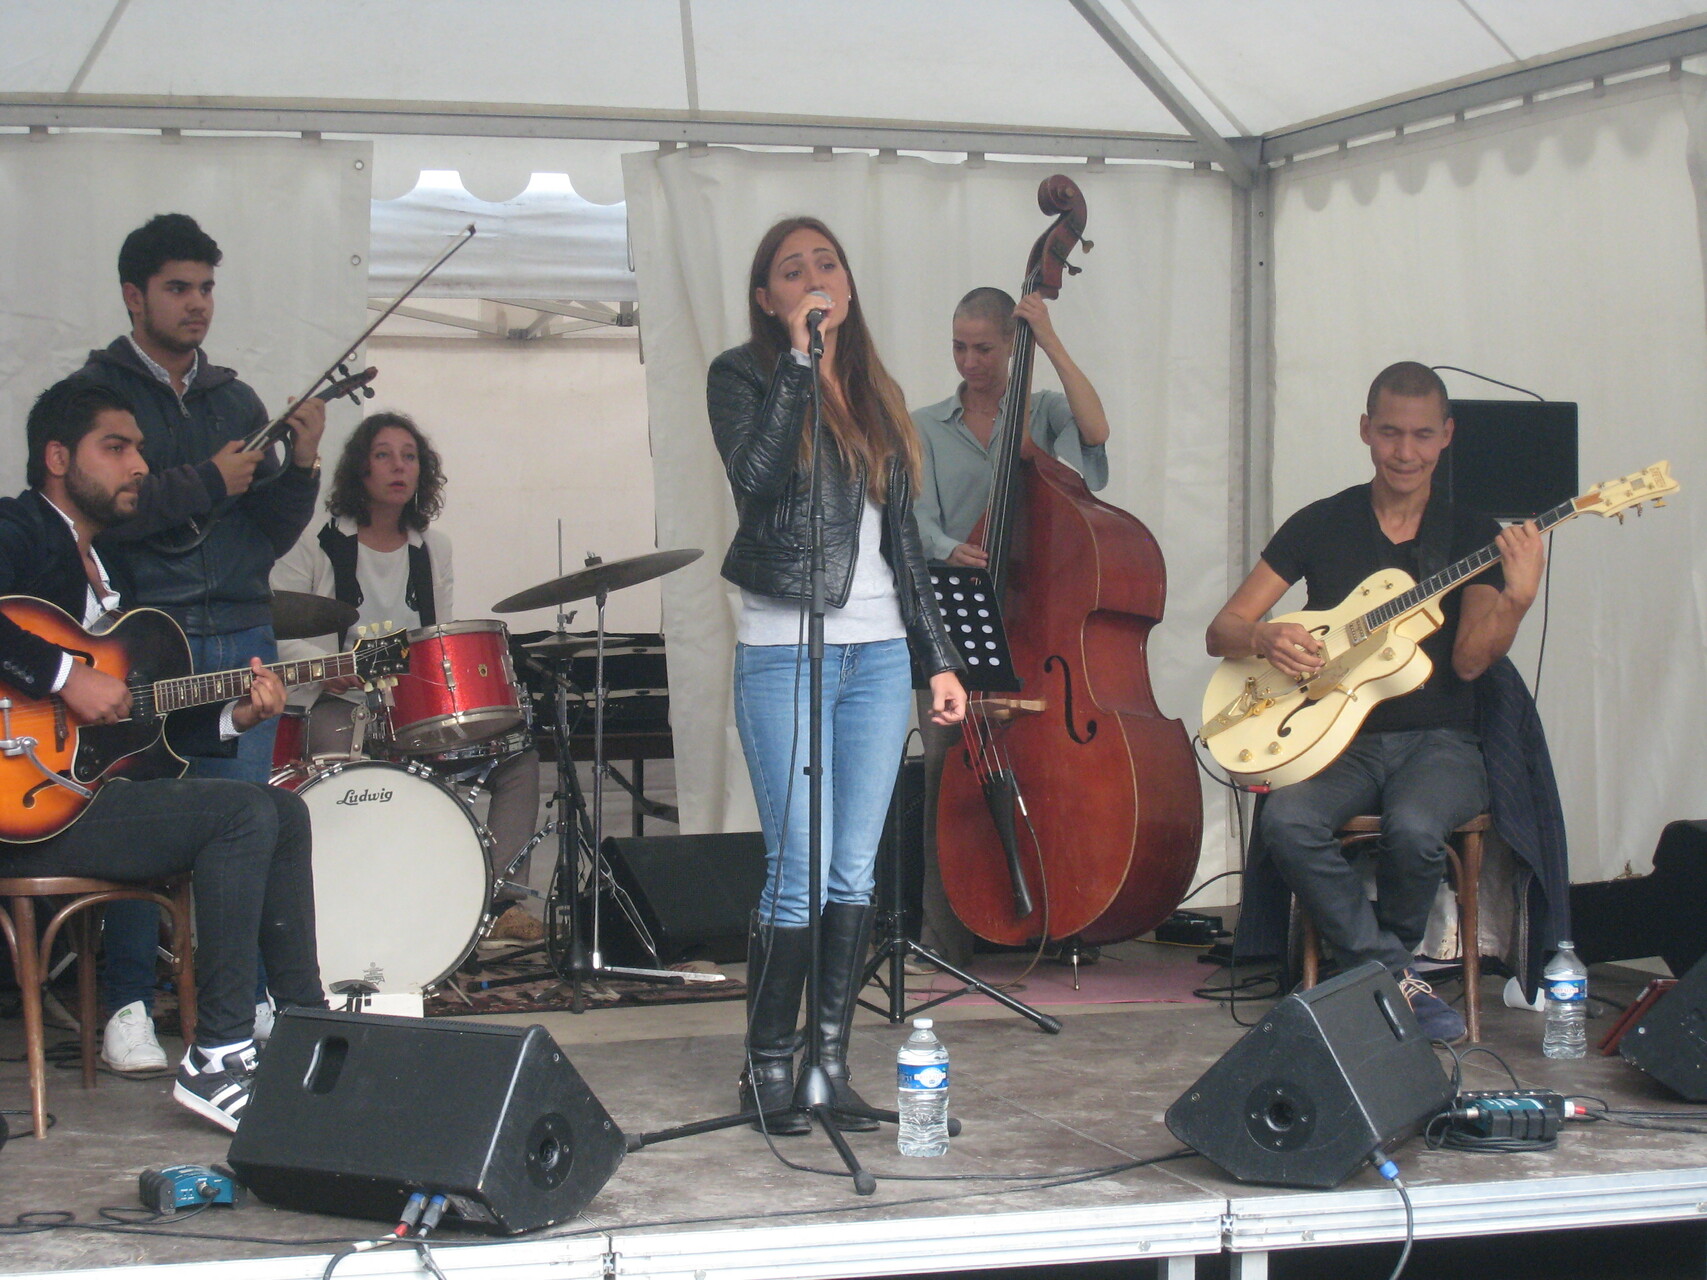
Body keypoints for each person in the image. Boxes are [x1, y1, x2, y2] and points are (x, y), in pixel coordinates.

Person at [0, 376, 326, 1131]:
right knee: (241, 815)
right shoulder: (20, 529)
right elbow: (70, 684)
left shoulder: (115, 568)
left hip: (84, 795)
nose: (139, 466)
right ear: (58, 458)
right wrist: (64, 675)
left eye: (140, 449)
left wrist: (236, 715)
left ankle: (308, 1030)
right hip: (24, 806)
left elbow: (145, 734)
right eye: (116, 448)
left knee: (281, 810)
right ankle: (218, 1055)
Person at [710, 218, 967, 1135]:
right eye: (792, 269)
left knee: (854, 871)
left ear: (848, 287)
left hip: (879, 650)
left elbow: (904, 545)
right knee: (800, 869)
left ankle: (827, 1066)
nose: (814, 277)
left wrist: (937, 659)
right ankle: (767, 1070)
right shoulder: (742, 375)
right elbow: (756, 478)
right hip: (786, 648)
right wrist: (796, 363)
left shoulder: (876, 393)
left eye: (826, 263)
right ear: (766, 298)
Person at [1205, 361, 1544, 1043]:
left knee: (1416, 830)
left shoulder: (1471, 533)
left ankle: (1369, 974)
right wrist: (1265, 636)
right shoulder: (1319, 523)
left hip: (1440, 741)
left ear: (1446, 435)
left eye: (1421, 435)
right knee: (1287, 823)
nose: (1405, 452)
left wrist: (1517, 599)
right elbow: (1222, 630)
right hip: (1337, 741)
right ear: (1365, 430)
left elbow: (1470, 660)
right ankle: (1393, 977)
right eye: (1390, 432)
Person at [76, 213, 327, 1071]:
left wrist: (306, 465)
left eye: (207, 288)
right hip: (147, 634)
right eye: (178, 288)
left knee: (247, 822)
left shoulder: (235, 399)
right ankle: (128, 1006)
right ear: (134, 295)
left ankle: (245, 1001)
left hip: (242, 624)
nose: (197, 304)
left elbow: (268, 531)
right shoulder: (101, 394)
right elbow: (114, 514)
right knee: (139, 815)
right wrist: (206, 480)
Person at [271, 411, 544, 940]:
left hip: (416, 709)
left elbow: (437, 637)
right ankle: (352, 906)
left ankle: (498, 902)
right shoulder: (314, 542)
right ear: (360, 469)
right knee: (338, 764)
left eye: (409, 456)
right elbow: (276, 631)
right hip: (337, 704)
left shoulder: (434, 547)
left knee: (518, 758)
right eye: (383, 455)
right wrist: (330, 671)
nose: (398, 466)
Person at [907, 286, 1113, 968]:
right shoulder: (924, 426)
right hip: (956, 618)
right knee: (947, 779)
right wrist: (947, 548)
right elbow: (910, 519)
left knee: (1051, 772)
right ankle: (944, 937)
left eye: (985, 348)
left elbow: (1095, 434)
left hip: (1037, 622)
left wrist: (1046, 339)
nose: (970, 362)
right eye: (959, 347)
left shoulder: (1042, 411)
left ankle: (1055, 920)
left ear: (1009, 345)